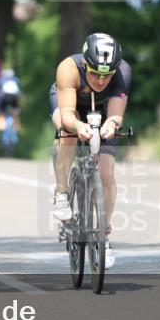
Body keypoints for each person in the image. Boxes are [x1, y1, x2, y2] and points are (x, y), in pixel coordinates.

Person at [48, 32, 131, 270]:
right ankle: (62, 193)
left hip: (102, 109)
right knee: (67, 133)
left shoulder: (123, 71)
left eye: (107, 75)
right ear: (85, 63)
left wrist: (110, 125)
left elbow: (116, 115)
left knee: (106, 172)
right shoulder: (68, 68)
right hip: (69, 106)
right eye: (95, 73)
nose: (101, 80)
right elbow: (67, 116)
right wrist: (77, 126)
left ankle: (103, 236)